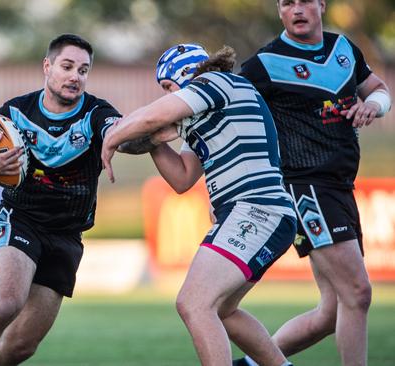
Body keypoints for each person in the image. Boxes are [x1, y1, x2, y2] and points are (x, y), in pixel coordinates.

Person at [102, 44, 297, 366]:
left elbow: (154, 114)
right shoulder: (204, 118)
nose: (166, 95)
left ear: (184, 76)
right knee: (223, 311)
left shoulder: (215, 83)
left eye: (167, 87)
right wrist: (152, 140)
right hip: (260, 213)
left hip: (256, 209)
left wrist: (113, 136)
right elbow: (182, 179)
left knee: (194, 303)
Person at [236, 1, 391, 365]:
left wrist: (375, 105)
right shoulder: (265, 63)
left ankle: (254, 362)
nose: (297, 8)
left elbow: (378, 87)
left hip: (339, 186)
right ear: (279, 10)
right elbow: (228, 102)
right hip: (305, 187)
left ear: (321, 4)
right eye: (287, 2)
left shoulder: (343, 49)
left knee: (333, 310)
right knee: (358, 292)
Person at [0, 34, 121, 366]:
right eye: (68, 66)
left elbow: (121, 132)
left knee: (21, 347)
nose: (76, 76)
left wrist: (136, 137)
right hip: (21, 217)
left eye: (84, 70)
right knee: (5, 305)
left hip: (67, 234)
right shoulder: (17, 111)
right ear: (47, 67)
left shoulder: (96, 112)